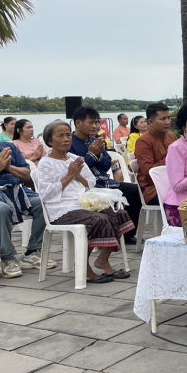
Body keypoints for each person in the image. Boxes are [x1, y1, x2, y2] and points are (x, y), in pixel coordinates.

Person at [37, 121, 133, 283]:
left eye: (68, 135)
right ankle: (83, 267)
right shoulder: (46, 163)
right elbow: (45, 194)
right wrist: (69, 176)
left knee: (119, 214)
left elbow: (91, 183)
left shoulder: (75, 158)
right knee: (99, 220)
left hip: (83, 203)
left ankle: (102, 260)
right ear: (49, 141)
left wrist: (77, 175)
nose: (66, 139)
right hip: (62, 208)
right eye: (60, 136)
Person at [0, 109, 54, 278]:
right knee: (0, 209)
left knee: (43, 202)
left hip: (15, 193)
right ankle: (7, 257)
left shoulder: (9, 147)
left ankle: (32, 251)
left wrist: (8, 168)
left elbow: (27, 175)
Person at [69, 107, 142, 244]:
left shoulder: (94, 140)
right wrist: (91, 154)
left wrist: (99, 153)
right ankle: (105, 236)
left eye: (97, 123)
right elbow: (76, 170)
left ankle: (127, 235)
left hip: (105, 182)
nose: (96, 126)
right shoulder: (69, 142)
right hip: (86, 186)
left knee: (135, 191)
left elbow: (106, 165)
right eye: (91, 123)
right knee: (110, 199)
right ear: (78, 123)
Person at [133, 103, 177, 206]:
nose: (167, 122)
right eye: (163, 119)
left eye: (169, 118)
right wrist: (170, 159)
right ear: (151, 122)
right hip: (153, 189)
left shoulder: (172, 137)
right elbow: (149, 172)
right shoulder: (144, 141)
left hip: (174, 184)